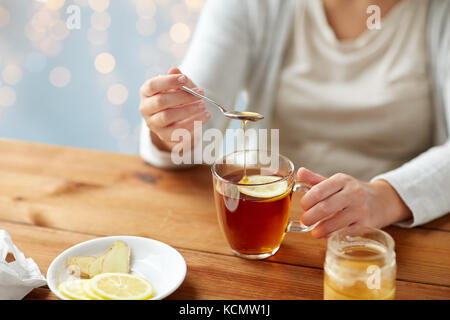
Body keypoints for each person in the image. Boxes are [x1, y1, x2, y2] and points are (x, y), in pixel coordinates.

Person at [139, 0, 450, 238]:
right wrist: (171, 127)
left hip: (392, 236)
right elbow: (195, 130)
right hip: (265, 222)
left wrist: (384, 197)